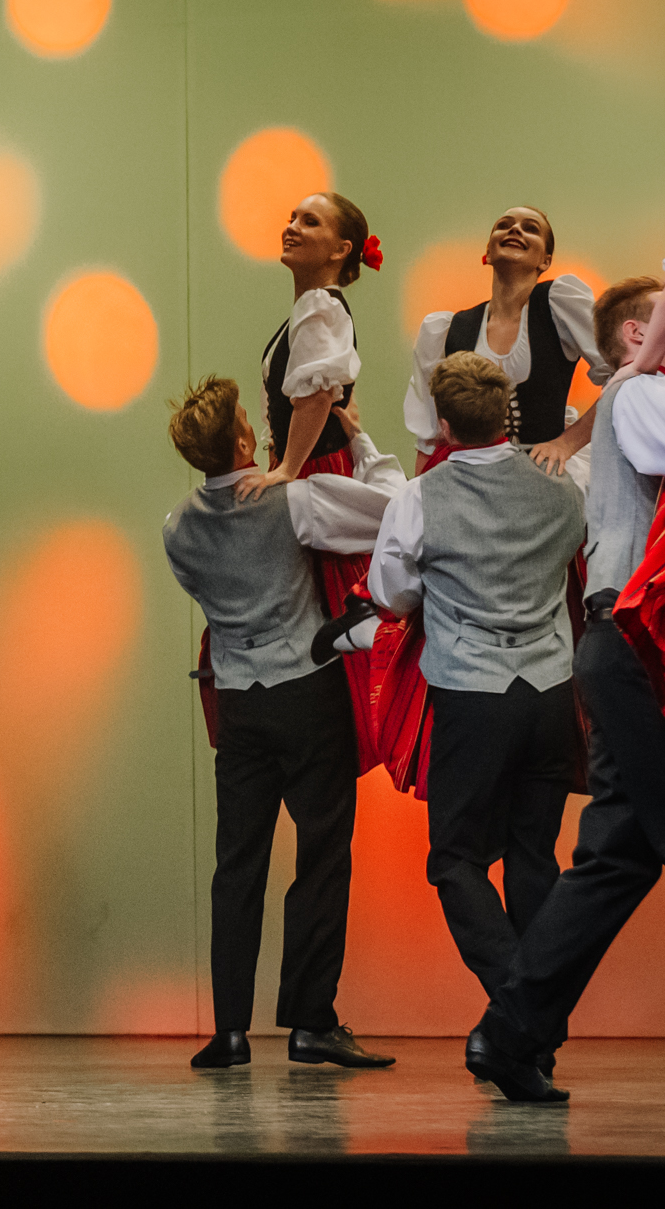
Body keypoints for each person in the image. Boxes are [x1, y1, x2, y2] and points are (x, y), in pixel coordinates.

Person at [163, 377, 402, 1071]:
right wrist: (358, 438)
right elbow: (392, 511)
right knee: (322, 856)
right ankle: (310, 1022)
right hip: (308, 694)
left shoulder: (177, 528)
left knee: (238, 864)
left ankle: (231, 1030)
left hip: (240, 705)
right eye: (252, 421)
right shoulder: (294, 499)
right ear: (244, 441)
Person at [470, 278, 665, 1102]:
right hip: (634, 639)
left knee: (618, 854)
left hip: (628, 642)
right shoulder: (636, 394)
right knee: (619, 850)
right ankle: (510, 1028)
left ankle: (511, 1030)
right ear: (635, 335)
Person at [369, 352, 586, 1016]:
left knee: (456, 859)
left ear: (443, 425)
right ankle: (535, 1023)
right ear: (504, 415)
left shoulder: (418, 498)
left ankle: (520, 1009)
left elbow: (391, 594)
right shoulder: (564, 486)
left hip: (471, 695)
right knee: (534, 856)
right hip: (551, 692)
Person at [235, 192, 394, 774]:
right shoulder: (312, 308)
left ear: (341, 249)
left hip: (319, 474)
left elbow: (317, 395)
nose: (292, 226)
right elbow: (322, 396)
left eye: (310, 221)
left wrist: (286, 469)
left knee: (328, 608)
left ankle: (338, 741)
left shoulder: (321, 307)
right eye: (291, 217)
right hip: (315, 465)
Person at [404, 206, 606, 480]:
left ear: (545, 261)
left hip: (544, 477)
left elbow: (621, 378)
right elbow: (430, 433)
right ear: (487, 253)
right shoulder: (449, 329)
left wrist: (566, 444)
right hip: (473, 479)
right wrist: (420, 494)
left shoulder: (558, 306)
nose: (515, 229)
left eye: (530, 228)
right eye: (504, 225)